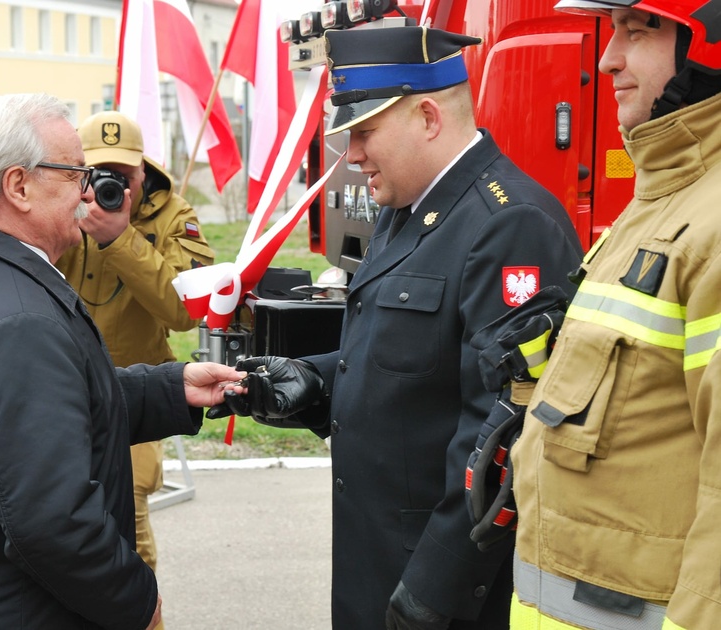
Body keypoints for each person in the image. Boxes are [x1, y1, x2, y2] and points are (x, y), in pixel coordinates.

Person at [209, 26, 584, 630]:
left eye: (363, 132)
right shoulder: (405, 210)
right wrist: (312, 381)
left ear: (429, 116)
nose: (351, 155)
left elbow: (504, 429)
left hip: (438, 587)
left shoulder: (510, 224)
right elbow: (403, 356)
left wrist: (434, 592)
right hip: (375, 564)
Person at [0, 92, 243, 630]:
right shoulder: (16, 318)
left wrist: (169, 387)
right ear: (18, 187)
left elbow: (49, 407)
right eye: (74, 173)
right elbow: (51, 521)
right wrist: (135, 598)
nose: (90, 191)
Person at [510, 2, 721, 629]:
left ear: (705, 45)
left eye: (638, 30)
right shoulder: (661, 199)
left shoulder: (709, 223)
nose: (607, 58)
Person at [57, 110, 215, 630]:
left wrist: (120, 238)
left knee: (128, 520)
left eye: (122, 176)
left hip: (139, 388)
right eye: (98, 173)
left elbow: (184, 311)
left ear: (143, 171)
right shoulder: (61, 203)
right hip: (60, 382)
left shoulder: (173, 216)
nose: (111, 185)